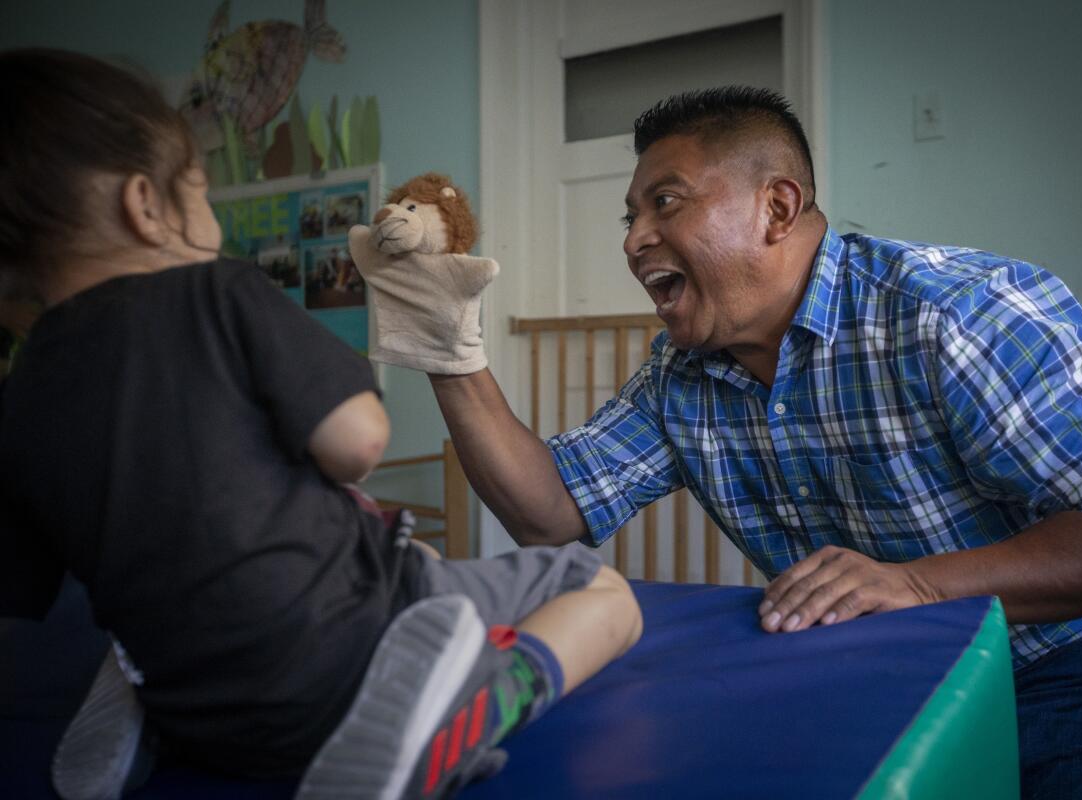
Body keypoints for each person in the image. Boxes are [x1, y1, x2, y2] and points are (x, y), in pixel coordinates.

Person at [376, 86, 1082, 799]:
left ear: (777, 207)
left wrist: (912, 584)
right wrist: (453, 353)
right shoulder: (680, 375)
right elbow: (550, 512)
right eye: (630, 217)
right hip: (888, 656)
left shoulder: (956, 310)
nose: (632, 240)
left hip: (1072, 653)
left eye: (665, 202)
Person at [0, 48, 642, 800]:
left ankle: (141, 701)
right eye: (202, 191)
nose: (210, 219)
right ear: (145, 204)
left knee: (163, 614)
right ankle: (472, 704)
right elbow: (359, 443)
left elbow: (18, 606)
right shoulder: (218, 293)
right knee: (602, 592)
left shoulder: (19, 398)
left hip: (204, 706)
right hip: (353, 647)